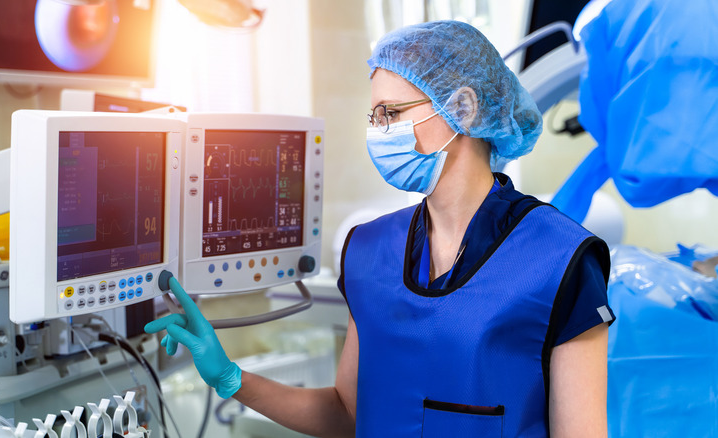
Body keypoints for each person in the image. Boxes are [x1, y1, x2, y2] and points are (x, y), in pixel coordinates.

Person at [146, 20, 615, 438]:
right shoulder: (368, 252)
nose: (377, 131)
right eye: (374, 117)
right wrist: (231, 378)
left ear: (464, 109)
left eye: (390, 113)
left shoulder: (560, 260)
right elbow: (346, 415)